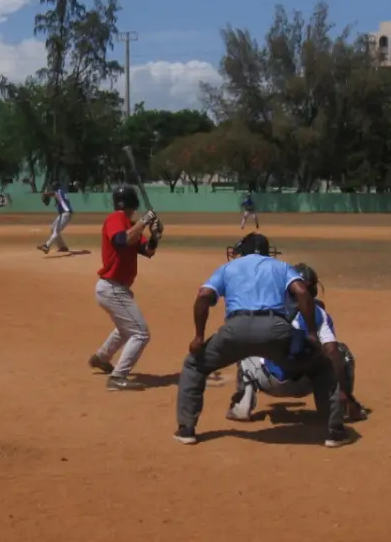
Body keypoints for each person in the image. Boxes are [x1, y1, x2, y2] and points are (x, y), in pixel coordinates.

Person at [174, 233, 351, 447]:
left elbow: (203, 296)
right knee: (323, 367)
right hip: (275, 329)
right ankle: (334, 432)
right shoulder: (281, 266)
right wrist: (312, 333)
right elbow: (302, 292)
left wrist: (199, 337)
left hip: (235, 329)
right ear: (268, 251)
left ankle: (186, 429)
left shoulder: (228, 268)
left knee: (194, 365)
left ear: (243, 250)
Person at [228, 263, 368, 424]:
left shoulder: (266, 307)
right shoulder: (318, 314)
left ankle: (241, 408)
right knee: (340, 353)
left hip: (271, 382)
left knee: (246, 351)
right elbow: (333, 352)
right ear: (314, 290)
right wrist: (342, 390)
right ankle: (338, 408)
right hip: (306, 381)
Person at [88, 185, 161, 391]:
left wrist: (155, 236)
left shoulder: (130, 225)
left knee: (125, 329)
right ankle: (117, 377)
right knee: (140, 333)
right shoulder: (116, 219)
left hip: (116, 289)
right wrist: (145, 221)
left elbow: (148, 251)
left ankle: (101, 358)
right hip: (112, 288)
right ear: (133, 203)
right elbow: (121, 241)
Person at [37, 181, 73, 254]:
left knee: (56, 231)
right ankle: (62, 247)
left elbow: (53, 193)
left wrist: (45, 194)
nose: (53, 188)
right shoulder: (62, 192)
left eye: (53, 187)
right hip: (62, 214)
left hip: (66, 214)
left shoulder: (59, 191)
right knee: (53, 228)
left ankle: (46, 246)